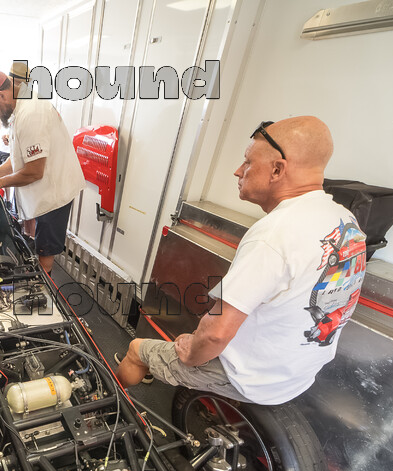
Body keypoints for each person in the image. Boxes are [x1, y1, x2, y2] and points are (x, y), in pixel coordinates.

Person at [116, 116, 367, 405]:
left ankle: (108, 408)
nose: (238, 171)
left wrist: (189, 351)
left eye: (248, 162)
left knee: (137, 349)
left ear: (277, 169)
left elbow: (214, 336)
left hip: (250, 377)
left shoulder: (274, 234)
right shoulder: (345, 219)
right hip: (298, 373)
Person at [0, 69, 85, 274]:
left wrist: (0, 183)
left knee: (45, 250)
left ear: (2, 95)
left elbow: (34, 171)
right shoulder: (19, 110)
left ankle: (44, 293)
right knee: (38, 242)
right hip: (44, 189)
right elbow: (19, 159)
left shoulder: (32, 114)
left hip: (54, 192)